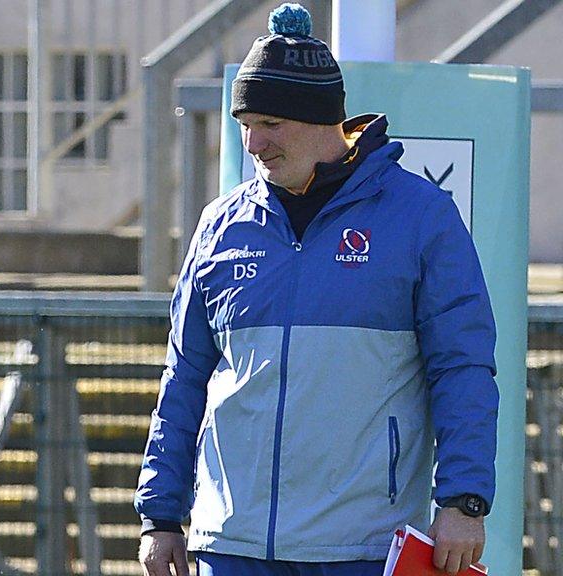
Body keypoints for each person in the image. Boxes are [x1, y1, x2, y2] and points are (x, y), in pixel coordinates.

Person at [134, 4, 498, 576]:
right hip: (231, 544)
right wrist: (159, 515)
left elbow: (463, 368)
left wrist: (463, 499)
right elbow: (184, 379)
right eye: (244, 122)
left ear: (322, 118)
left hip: (361, 549)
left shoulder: (423, 217)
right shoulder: (217, 225)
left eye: (270, 123)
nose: (253, 142)